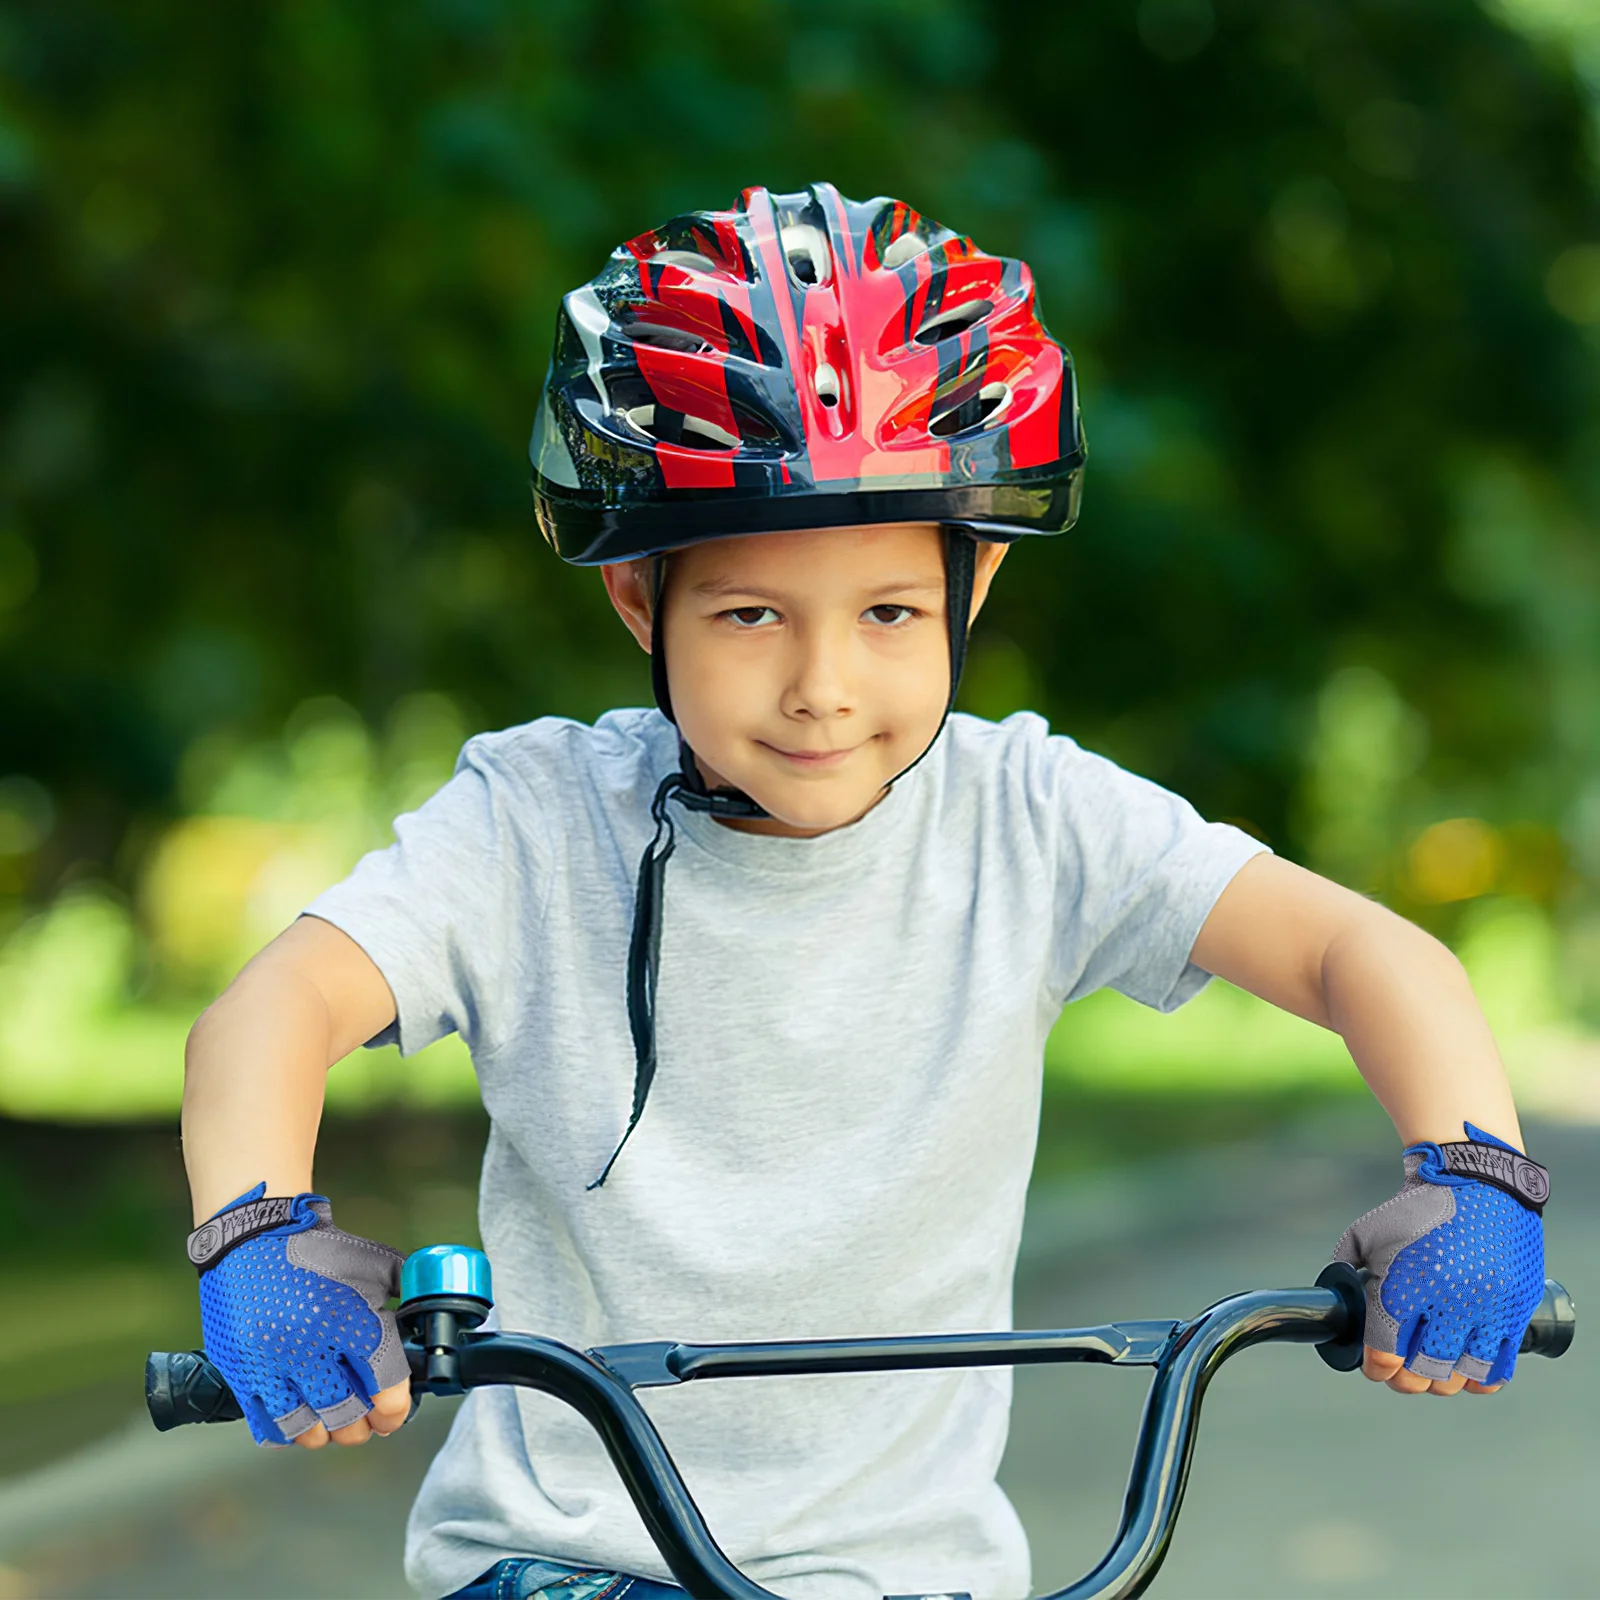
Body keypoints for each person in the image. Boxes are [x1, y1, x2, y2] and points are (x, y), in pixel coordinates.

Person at [180, 184, 1549, 1600]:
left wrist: (1475, 1178)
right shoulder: (528, 827)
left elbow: (1361, 955)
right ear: (641, 603)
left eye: (889, 613)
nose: (823, 688)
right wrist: (259, 1234)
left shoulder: (1033, 817)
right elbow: (267, 1015)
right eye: (751, 614)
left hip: (918, 1576)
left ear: (974, 589)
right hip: (567, 1566)